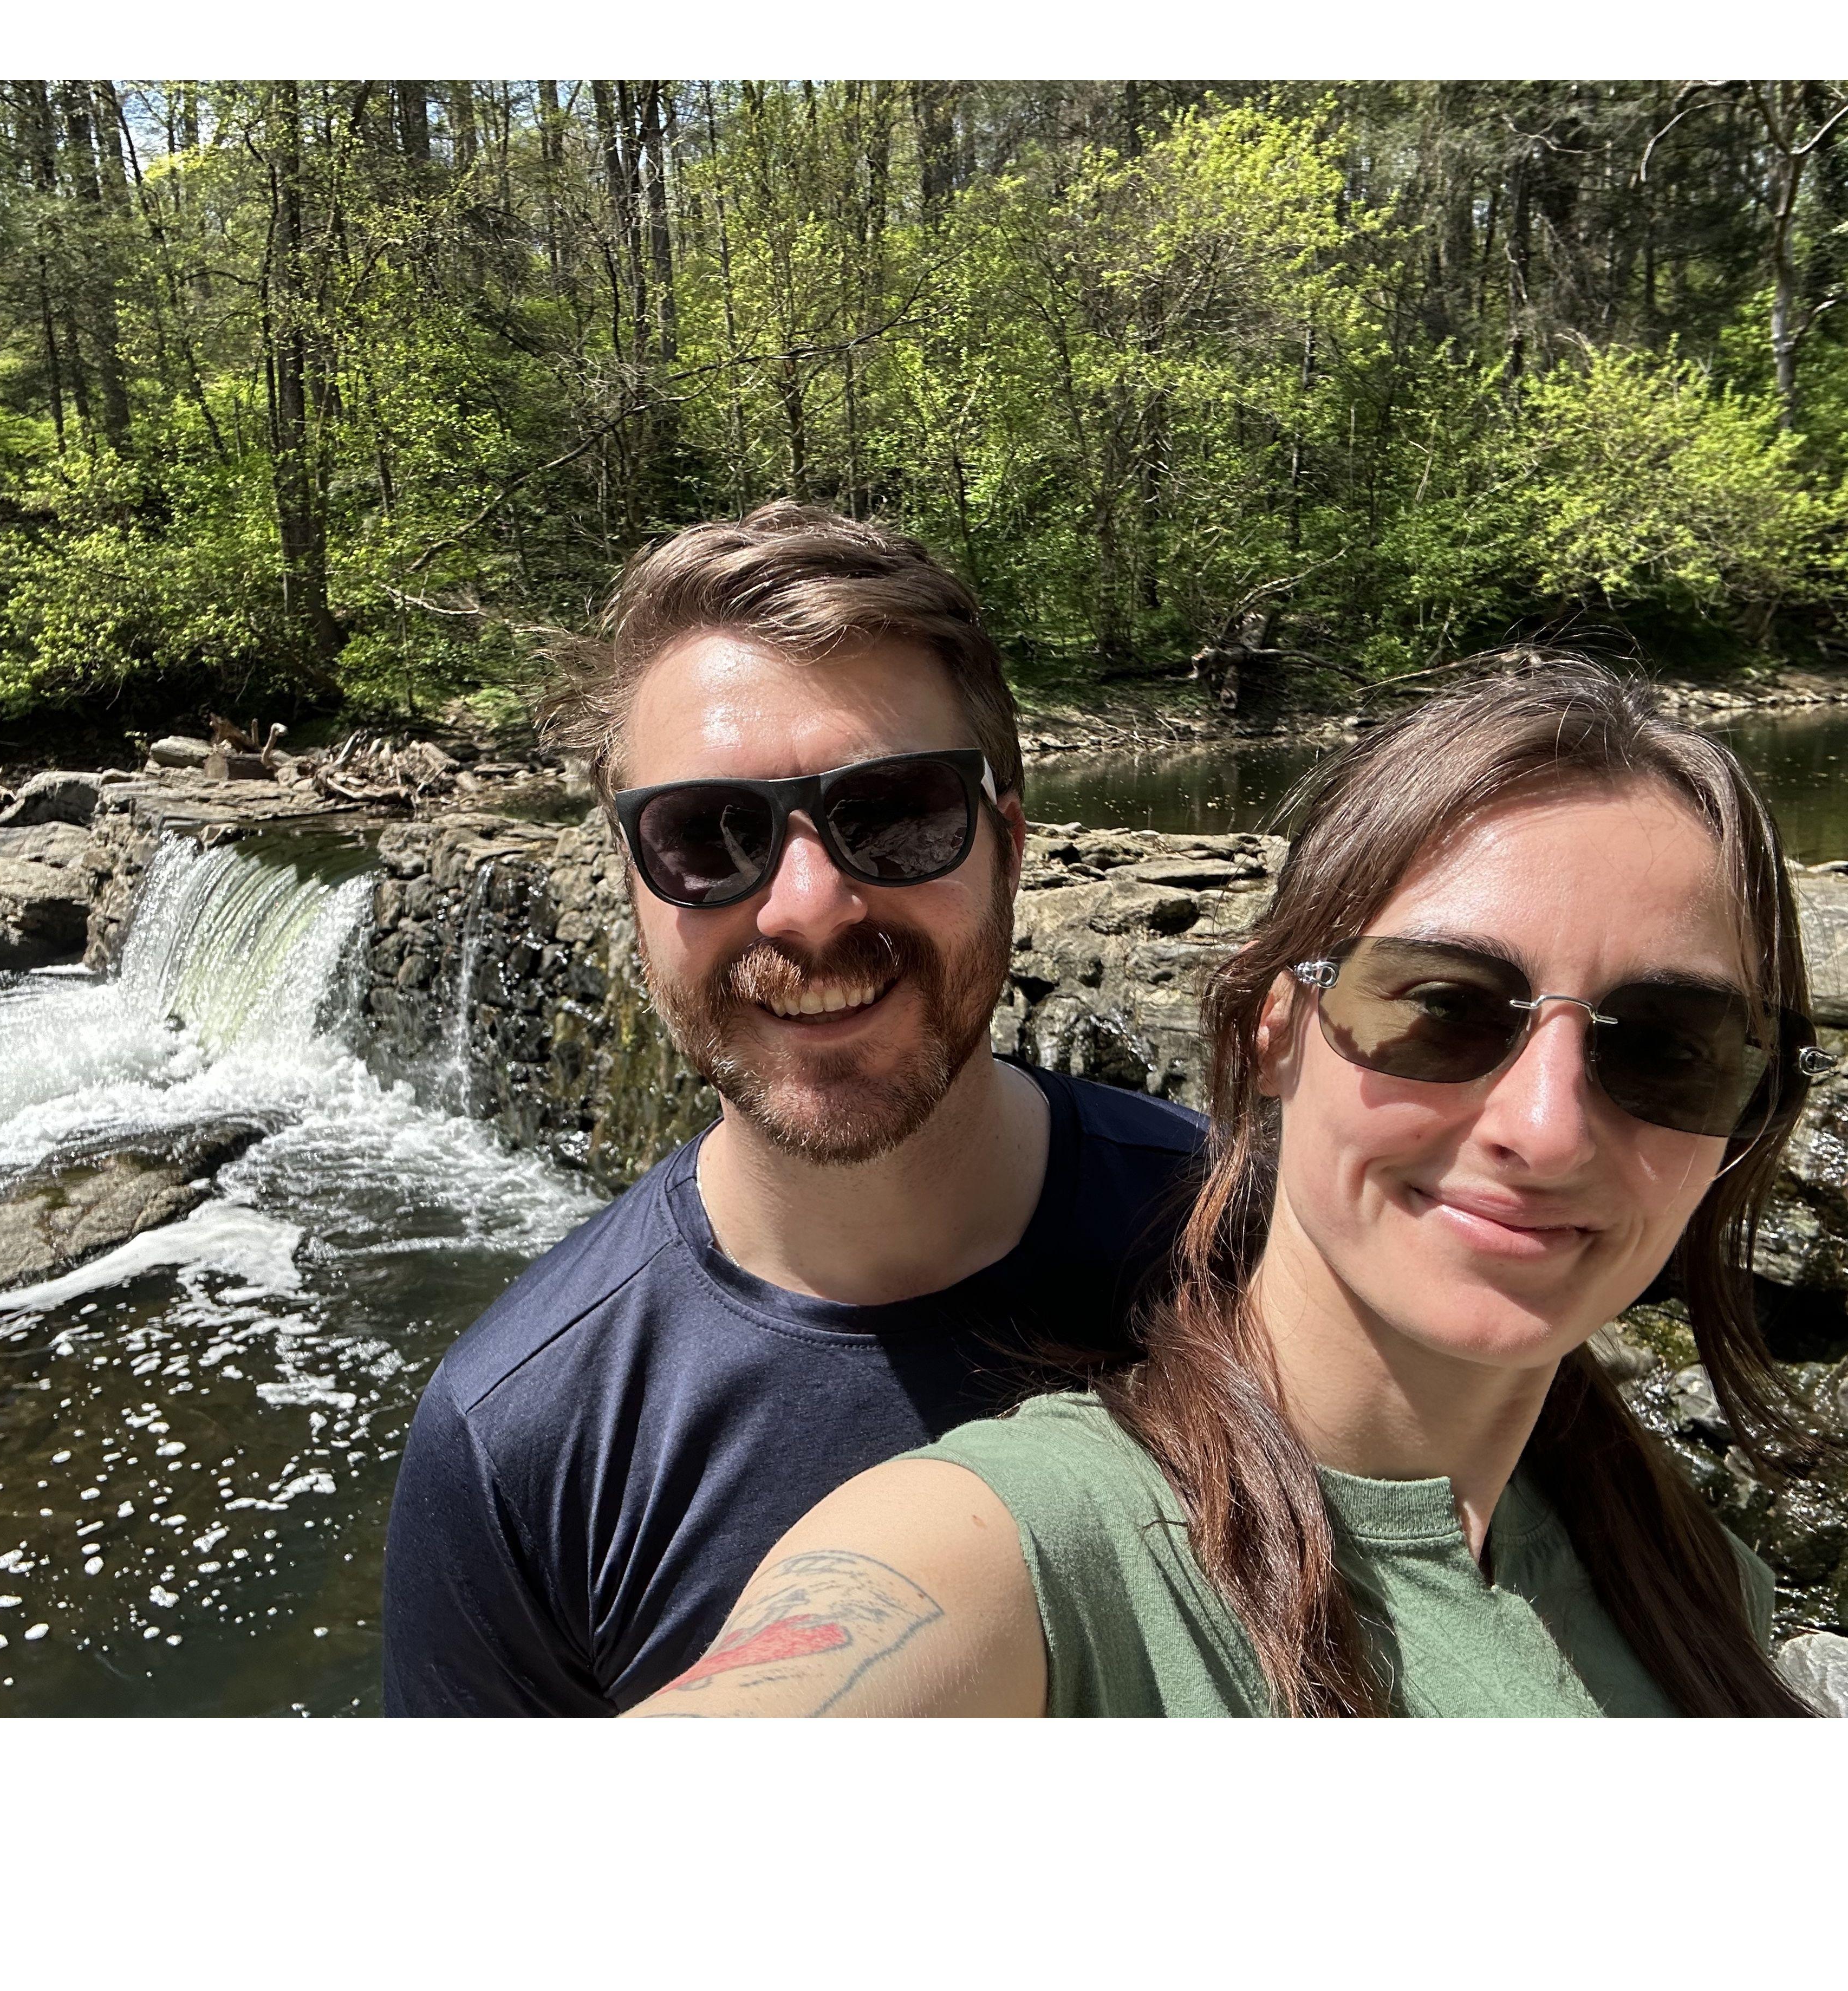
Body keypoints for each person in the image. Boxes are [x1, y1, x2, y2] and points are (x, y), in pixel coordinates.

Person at [628, 659, 1836, 1717]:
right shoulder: (1029, 1554)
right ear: (1275, 1031)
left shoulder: (1692, 1573)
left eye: (1667, 1045)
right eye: (1443, 1007)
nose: (1547, 1126)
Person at [380, 504, 1206, 1716]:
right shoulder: (519, 1443)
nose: (809, 907)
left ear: (1010, 846)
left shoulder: (1256, 1245)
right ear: (635, 887)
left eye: (898, 812)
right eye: (708, 837)